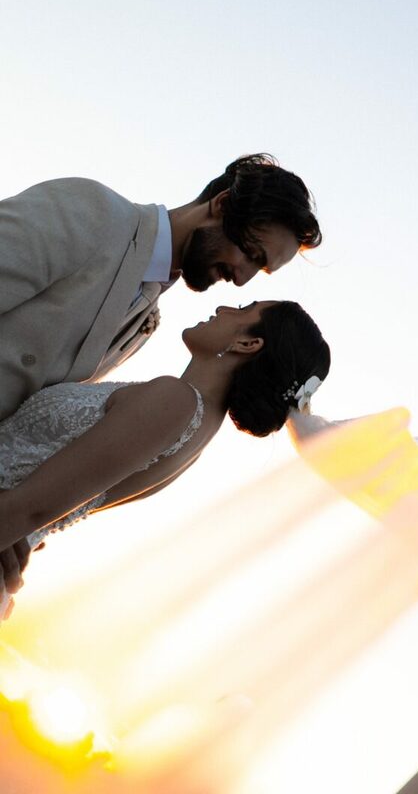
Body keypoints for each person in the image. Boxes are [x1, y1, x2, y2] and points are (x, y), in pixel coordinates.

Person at [0, 153, 322, 595]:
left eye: (259, 270)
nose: (242, 281)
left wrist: (18, 528)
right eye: (250, 253)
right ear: (222, 205)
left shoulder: (145, 324)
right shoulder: (90, 212)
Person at [0, 301, 330, 619]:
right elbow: (46, 507)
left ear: (248, 343)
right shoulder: (196, 429)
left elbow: (31, 509)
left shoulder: (174, 401)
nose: (223, 309)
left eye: (244, 309)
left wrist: (20, 525)